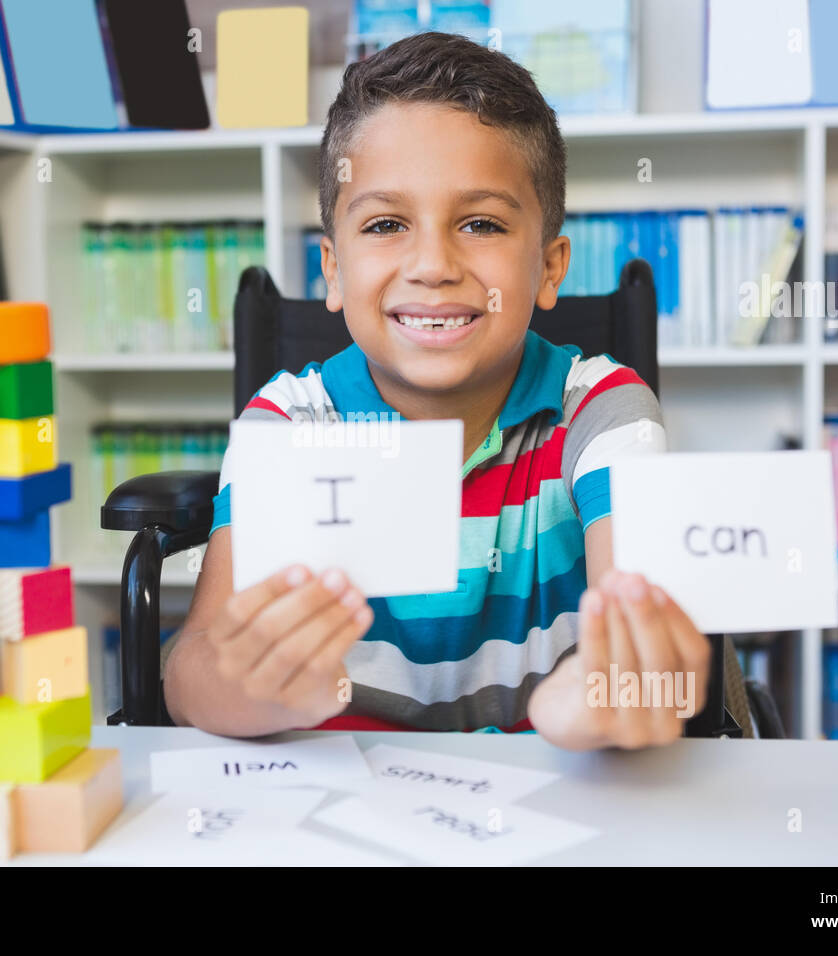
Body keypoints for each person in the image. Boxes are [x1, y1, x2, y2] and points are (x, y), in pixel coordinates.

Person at [163, 31, 711, 749]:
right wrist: (245, 688)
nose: (432, 264)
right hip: (334, 799)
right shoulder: (288, 425)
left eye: (480, 223)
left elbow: (647, 651)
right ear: (331, 269)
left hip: (562, 789)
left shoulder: (603, 413)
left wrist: (605, 694)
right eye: (387, 224)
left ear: (548, 268)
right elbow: (190, 674)